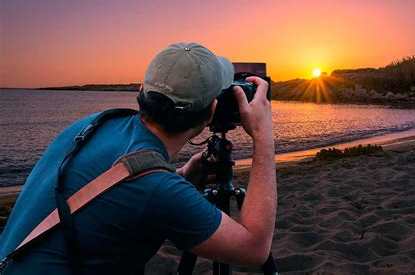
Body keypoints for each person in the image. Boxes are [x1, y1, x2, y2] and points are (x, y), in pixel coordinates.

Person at [0, 42, 276, 273]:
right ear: (211, 111)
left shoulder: (95, 123)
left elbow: (120, 192)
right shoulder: (156, 188)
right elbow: (254, 249)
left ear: (142, 91)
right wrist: (263, 137)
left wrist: (180, 176)